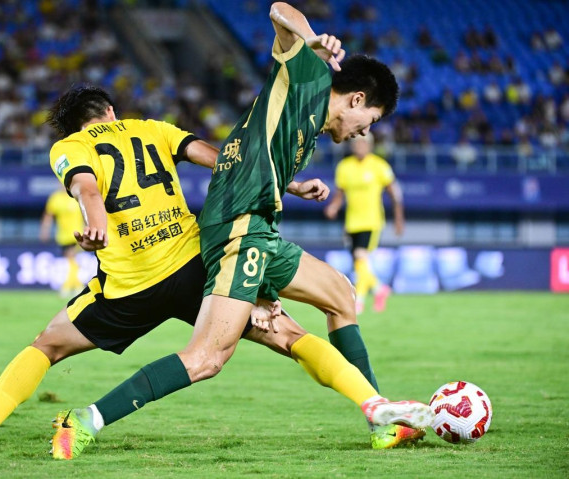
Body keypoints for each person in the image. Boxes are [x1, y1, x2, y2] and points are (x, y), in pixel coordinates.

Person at [0, 85, 428, 453]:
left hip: (128, 286)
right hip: (196, 267)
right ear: (110, 111)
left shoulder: (70, 147)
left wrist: (96, 222)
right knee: (290, 336)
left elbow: (86, 187)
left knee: (47, 346)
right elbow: (225, 159)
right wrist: (289, 184)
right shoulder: (154, 129)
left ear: (75, 124)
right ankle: (376, 410)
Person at [50, 2, 431, 459]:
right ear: (356, 99)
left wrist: (290, 189)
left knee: (341, 297)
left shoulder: (307, 126)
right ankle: (85, 420)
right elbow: (279, 10)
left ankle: (380, 420)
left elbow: (249, 165)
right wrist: (312, 39)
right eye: (369, 121)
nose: (362, 133)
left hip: (257, 228)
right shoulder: (308, 77)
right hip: (239, 230)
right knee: (206, 358)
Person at [324, 133, 404, 314]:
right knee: (359, 263)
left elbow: (394, 193)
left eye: (363, 143)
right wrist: (334, 207)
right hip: (351, 222)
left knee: (360, 256)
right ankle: (379, 289)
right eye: (357, 144)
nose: (359, 146)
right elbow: (340, 192)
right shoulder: (344, 166)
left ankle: (358, 301)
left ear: (370, 146)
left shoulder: (379, 165)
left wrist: (399, 219)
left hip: (371, 220)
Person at [40, 184, 86, 297]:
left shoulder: (77, 196)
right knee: (71, 260)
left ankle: (68, 286)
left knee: (71, 257)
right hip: (62, 235)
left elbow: (86, 213)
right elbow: (48, 215)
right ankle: (77, 285)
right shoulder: (55, 198)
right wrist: (45, 230)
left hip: (77, 234)